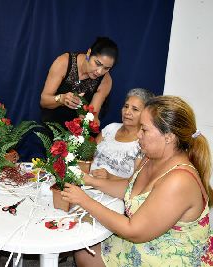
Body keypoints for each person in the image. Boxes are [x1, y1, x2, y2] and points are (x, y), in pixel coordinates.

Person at [62, 95, 212, 266]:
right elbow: (132, 187)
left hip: (167, 257)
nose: (139, 134)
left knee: (85, 252)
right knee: (83, 250)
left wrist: (84, 200)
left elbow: (134, 231)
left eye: (144, 129)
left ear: (169, 136)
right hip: (147, 243)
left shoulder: (179, 181)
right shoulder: (152, 157)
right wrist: (90, 180)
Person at [40, 37, 118, 126]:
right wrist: (61, 99)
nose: (100, 71)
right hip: (51, 126)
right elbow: (44, 101)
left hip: (77, 134)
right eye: (97, 63)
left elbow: (93, 115)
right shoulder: (64, 62)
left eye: (106, 68)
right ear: (89, 53)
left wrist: (90, 121)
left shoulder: (105, 80)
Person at [89, 88, 155, 180]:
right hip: (87, 182)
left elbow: (137, 182)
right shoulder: (110, 128)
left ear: (146, 114)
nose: (127, 112)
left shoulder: (143, 141)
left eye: (135, 109)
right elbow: (88, 157)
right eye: (126, 106)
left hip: (112, 192)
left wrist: (110, 177)